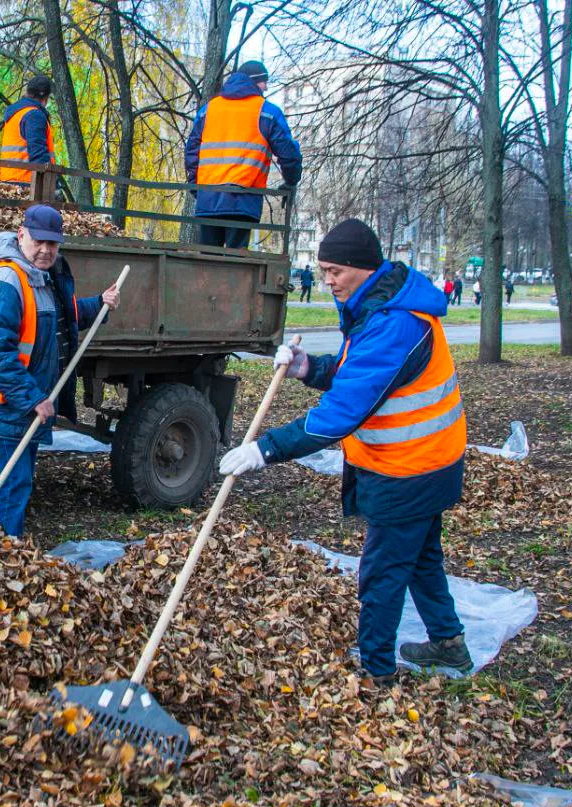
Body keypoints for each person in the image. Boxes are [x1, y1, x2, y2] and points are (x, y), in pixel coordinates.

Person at [218, 218, 472, 686]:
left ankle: (377, 672)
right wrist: (306, 366)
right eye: (323, 270)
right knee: (421, 557)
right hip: (427, 460)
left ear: (362, 267)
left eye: (334, 270)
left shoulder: (394, 324)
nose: (327, 280)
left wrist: (265, 449)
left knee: (383, 572)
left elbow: (341, 413)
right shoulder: (381, 306)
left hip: (411, 468)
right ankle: (449, 644)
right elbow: (358, 375)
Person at [0, 205, 120, 536]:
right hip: (1, 399)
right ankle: (5, 551)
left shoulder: (42, 276)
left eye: (53, 244)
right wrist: (32, 397)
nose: (46, 250)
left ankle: (5, 546)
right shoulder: (8, 280)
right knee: (15, 480)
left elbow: (63, 316)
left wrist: (100, 303)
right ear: (22, 235)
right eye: (39, 242)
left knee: (19, 477)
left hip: (20, 398)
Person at [185, 60, 302, 250]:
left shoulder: (208, 110)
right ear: (256, 81)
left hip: (208, 200)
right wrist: (291, 181)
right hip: (243, 200)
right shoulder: (266, 111)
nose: (266, 87)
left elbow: (191, 150)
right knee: (235, 269)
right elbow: (289, 153)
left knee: (205, 267)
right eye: (265, 81)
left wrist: (195, 186)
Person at [0, 75, 55, 184]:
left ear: (28, 92)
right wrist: (51, 185)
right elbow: (38, 153)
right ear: (46, 98)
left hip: (9, 180)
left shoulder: (17, 113)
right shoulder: (34, 115)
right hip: (26, 182)